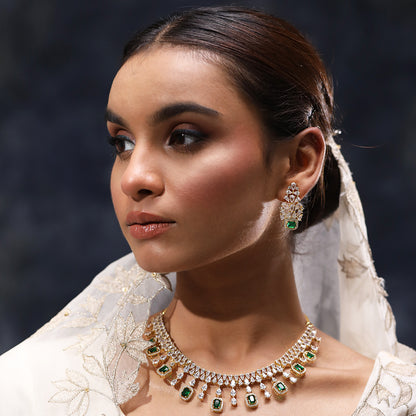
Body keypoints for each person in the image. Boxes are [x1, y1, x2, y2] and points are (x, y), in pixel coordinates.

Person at [0, 6, 415, 416]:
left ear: (298, 162)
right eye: (122, 143)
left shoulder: (395, 402)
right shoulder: (38, 389)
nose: (134, 178)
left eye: (183, 137)